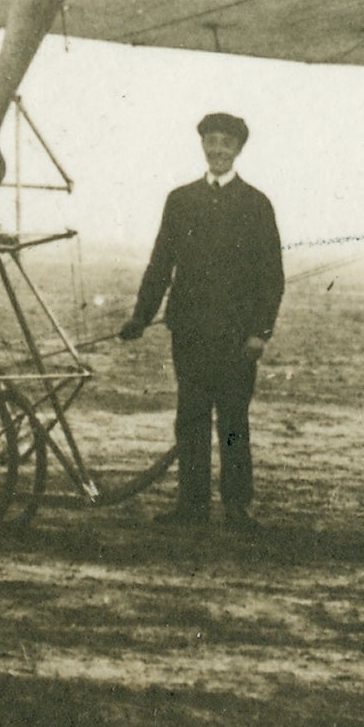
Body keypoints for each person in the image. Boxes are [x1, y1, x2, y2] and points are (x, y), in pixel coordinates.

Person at [120, 112, 285, 522]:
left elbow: (271, 277)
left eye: (226, 142)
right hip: (190, 332)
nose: (218, 150)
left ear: (238, 149)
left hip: (237, 338)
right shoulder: (180, 200)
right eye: (211, 141)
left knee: (233, 419)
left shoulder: (257, 204)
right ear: (203, 146)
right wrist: (140, 317)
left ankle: (236, 505)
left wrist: (260, 334)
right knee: (191, 416)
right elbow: (160, 265)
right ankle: (191, 505)